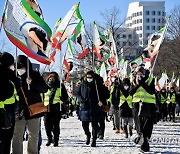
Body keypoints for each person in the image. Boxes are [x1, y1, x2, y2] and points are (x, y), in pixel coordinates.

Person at [12, 55, 48, 154]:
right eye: (18, 66)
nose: (20, 69)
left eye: (22, 66)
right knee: (17, 134)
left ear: (27, 66)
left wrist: (32, 83)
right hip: (19, 111)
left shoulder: (35, 75)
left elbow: (44, 89)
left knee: (33, 134)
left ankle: (32, 152)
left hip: (34, 110)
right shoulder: (14, 76)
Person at [76, 71, 109, 147]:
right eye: (88, 77)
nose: (89, 79)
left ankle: (94, 140)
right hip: (85, 107)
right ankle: (88, 135)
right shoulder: (82, 85)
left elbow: (106, 95)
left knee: (94, 125)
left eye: (90, 77)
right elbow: (77, 93)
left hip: (96, 107)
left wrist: (102, 101)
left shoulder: (98, 85)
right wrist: (81, 100)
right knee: (84, 124)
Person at [129, 67, 156, 152]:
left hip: (148, 105)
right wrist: (137, 84)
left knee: (147, 126)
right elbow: (130, 92)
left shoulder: (150, 80)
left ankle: (145, 143)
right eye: (138, 74)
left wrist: (142, 83)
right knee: (139, 126)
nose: (139, 76)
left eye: (141, 74)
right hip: (137, 105)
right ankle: (143, 143)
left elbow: (151, 91)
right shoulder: (133, 81)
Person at [0, 52, 18, 154]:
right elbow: (7, 92)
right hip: (5, 111)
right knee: (6, 140)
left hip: (8, 110)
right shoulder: (6, 75)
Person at [44, 72, 68, 147]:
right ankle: (49, 138)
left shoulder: (60, 86)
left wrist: (62, 98)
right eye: (50, 78)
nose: (51, 80)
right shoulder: (45, 86)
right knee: (47, 125)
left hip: (56, 107)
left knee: (56, 125)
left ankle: (56, 140)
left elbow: (66, 97)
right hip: (47, 107)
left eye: (53, 78)